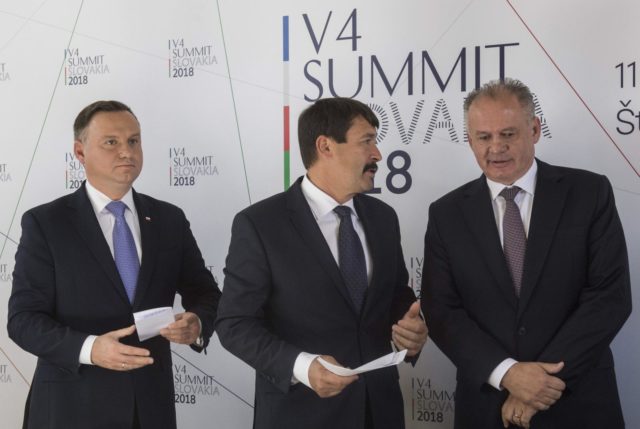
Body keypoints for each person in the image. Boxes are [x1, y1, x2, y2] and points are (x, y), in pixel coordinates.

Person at [422, 78, 632, 428]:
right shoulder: (446, 213)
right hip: (488, 407)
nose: (496, 148)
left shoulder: (589, 192)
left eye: (508, 134)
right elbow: (442, 310)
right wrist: (507, 374)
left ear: (534, 129)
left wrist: (539, 384)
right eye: (483, 137)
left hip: (578, 401)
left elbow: (610, 297)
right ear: (469, 140)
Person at [215, 97, 428, 429]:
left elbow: (395, 297)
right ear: (325, 146)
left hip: (380, 411)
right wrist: (302, 366)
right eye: (366, 141)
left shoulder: (383, 218)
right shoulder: (260, 224)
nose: (377, 154)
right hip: (301, 414)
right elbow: (234, 324)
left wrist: (410, 330)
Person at [7, 100, 221, 429]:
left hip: (150, 409)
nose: (126, 152)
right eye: (111, 142)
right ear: (80, 152)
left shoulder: (169, 219)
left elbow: (206, 294)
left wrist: (197, 324)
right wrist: (90, 349)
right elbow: (23, 321)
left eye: (133, 141)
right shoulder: (46, 223)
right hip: (71, 408)